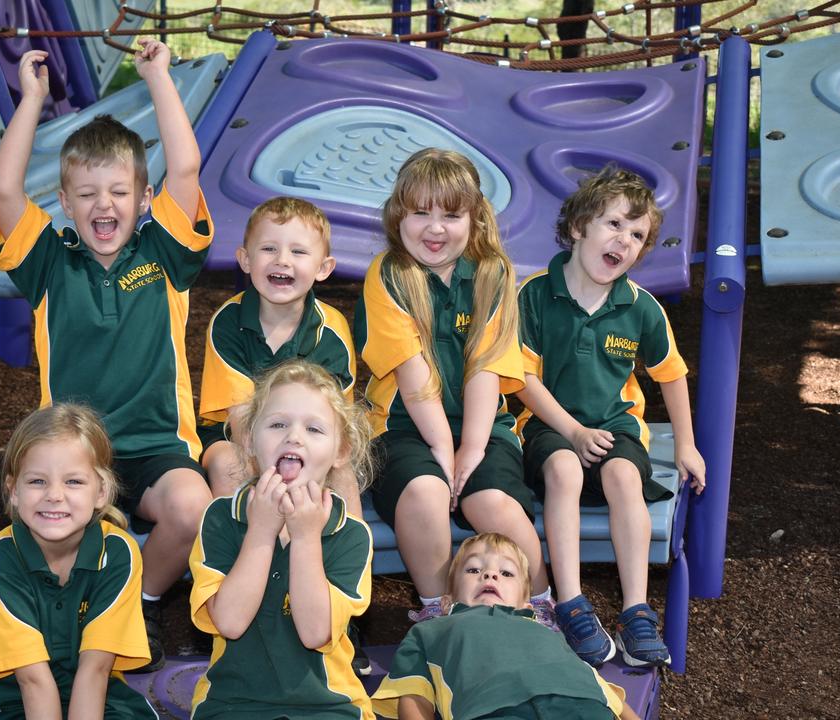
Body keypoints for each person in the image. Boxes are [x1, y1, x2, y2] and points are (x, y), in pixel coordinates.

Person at [0, 39, 214, 671]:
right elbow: (5, 189)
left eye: (118, 191)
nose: (102, 205)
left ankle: (141, 600)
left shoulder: (162, 256)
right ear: (65, 203)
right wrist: (30, 100)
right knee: (59, 527)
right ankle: (64, 624)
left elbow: (186, 167)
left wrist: (157, 77)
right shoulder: (49, 262)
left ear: (144, 200)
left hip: (158, 445)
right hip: (76, 449)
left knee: (193, 508)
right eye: (86, 194)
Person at [515, 166, 705, 667]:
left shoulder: (640, 308)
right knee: (563, 470)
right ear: (579, 228)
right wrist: (573, 431)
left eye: (637, 234)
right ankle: (572, 602)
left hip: (616, 428)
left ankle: (636, 610)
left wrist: (686, 446)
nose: (625, 240)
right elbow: (521, 378)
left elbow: (671, 374)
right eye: (614, 224)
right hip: (550, 427)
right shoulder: (535, 294)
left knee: (624, 475)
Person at [354, 148, 552, 626]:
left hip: (484, 425)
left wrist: (472, 449)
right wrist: (443, 449)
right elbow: (411, 370)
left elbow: (486, 367)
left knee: (491, 502)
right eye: (421, 212)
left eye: (451, 214)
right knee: (424, 491)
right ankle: (437, 610)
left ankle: (541, 601)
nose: (435, 228)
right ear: (398, 216)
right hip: (403, 426)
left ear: (475, 218)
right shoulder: (390, 274)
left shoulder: (493, 274)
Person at [188, 360, 376, 719]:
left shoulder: (351, 534)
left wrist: (306, 537)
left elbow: (314, 632)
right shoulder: (220, 518)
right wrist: (260, 530)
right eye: (277, 424)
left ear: (341, 451)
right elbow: (229, 622)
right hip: (231, 704)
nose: (294, 436)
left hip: (329, 706)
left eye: (314, 429)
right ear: (250, 440)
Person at [0, 404, 156, 719]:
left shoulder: (118, 553)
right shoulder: (0, 559)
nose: (54, 495)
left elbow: (96, 669)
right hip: (13, 704)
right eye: (37, 481)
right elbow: (32, 680)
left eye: (74, 482)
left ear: (101, 491)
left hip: (102, 700)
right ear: (13, 490)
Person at [371, 533, 640, 720]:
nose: (490, 574)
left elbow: (600, 687)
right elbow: (414, 696)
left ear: (527, 606)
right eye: (474, 570)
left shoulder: (547, 632)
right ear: (446, 602)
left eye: (507, 573)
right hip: (491, 709)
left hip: (582, 704)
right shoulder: (429, 631)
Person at [198, 196, 358, 511]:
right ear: (245, 259)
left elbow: (334, 423)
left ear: (323, 268)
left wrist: (298, 458)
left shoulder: (332, 331)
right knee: (227, 463)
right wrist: (279, 462)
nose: (282, 260)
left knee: (342, 472)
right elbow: (241, 418)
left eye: (298, 251)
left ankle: (349, 555)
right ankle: (238, 552)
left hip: (308, 439)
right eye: (269, 249)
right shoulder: (228, 322)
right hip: (239, 438)